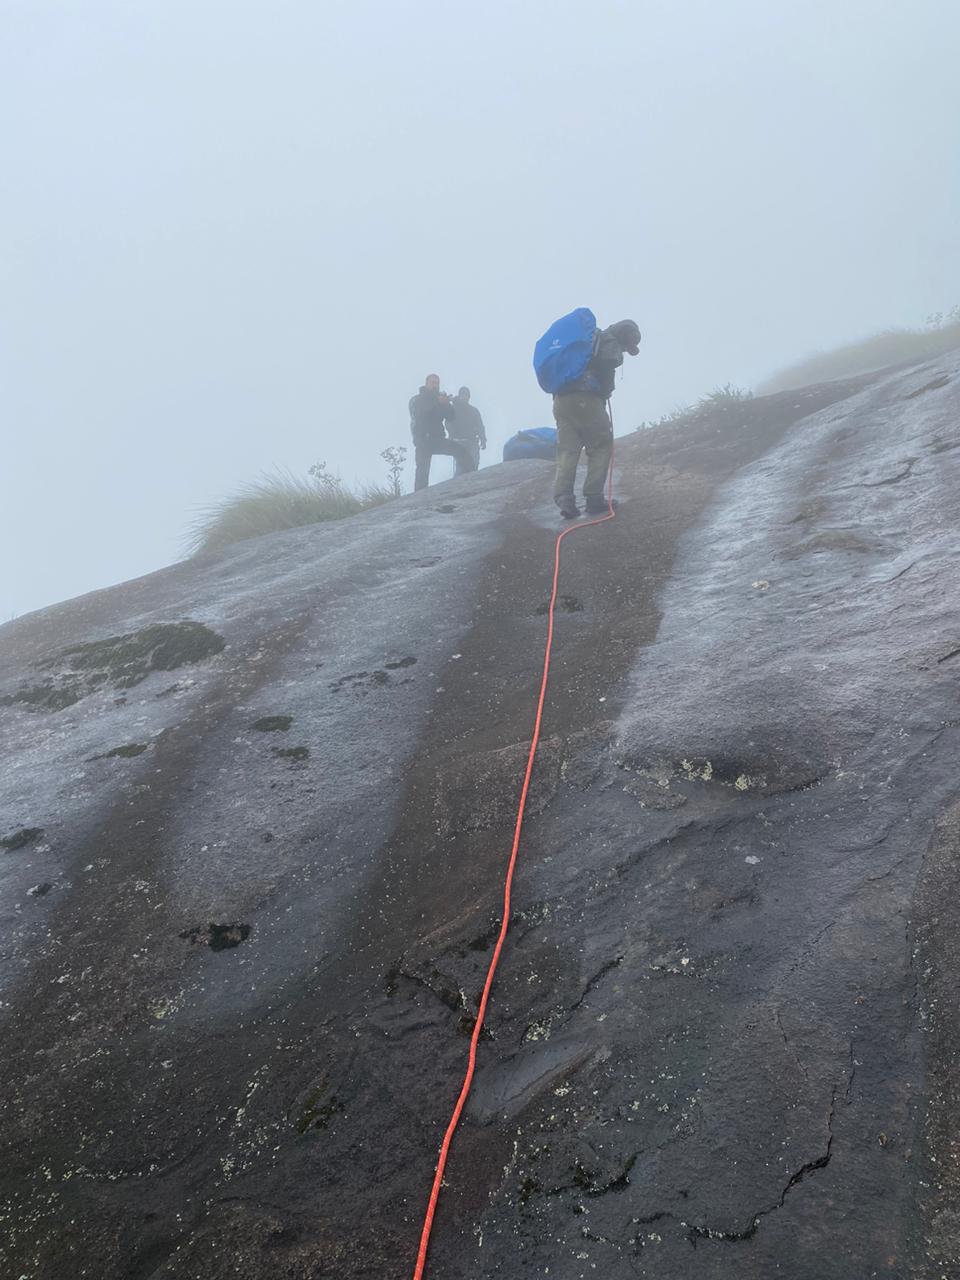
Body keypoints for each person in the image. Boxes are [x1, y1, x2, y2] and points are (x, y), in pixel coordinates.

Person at [552, 319, 641, 518]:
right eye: (626, 347)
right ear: (624, 336)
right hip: (586, 398)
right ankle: (594, 499)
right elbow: (608, 364)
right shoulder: (609, 340)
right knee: (600, 445)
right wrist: (606, 391)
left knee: (567, 450)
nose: (624, 351)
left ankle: (564, 499)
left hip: (561, 400)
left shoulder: (588, 340)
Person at [409, 374, 475, 491]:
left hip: (437, 439)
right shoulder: (418, 399)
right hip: (423, 441)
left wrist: (446, 404)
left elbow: (451, 417)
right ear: (426, 384)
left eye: (437, 383)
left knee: (462, 452)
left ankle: (470, 481)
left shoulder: (440, 399)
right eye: (432, 382)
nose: (435, 385)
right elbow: (421, 414)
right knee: (422, 474)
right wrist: (438, 403)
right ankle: (419, 498)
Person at [447, 387, 487, 473]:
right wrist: (452, 436)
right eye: (463, 395)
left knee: (474, 466)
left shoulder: (474, 411)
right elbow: (448, 424)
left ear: (469, 397)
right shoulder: (453, 409)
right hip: (459, 443)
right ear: (459, 396)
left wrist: (483, 439)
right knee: (461, 468)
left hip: (472, 442)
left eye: (466, 395)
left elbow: (480, 426)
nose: (464, 397)